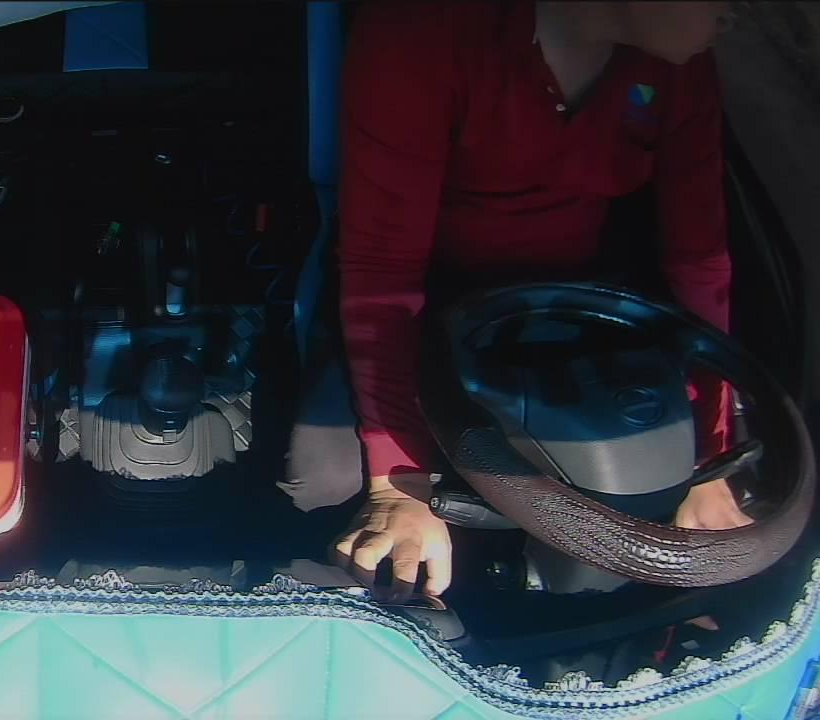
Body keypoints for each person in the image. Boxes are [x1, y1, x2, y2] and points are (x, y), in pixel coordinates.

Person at [281, 1, 750, 598]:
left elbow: (699, 260)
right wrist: (399, 484)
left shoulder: (679, 64)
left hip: (576, 295)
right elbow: (385, 271)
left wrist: (708, 460)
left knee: (647, 468)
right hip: (423, 291)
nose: (736, 16)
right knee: (325, 480)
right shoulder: (421, 34)